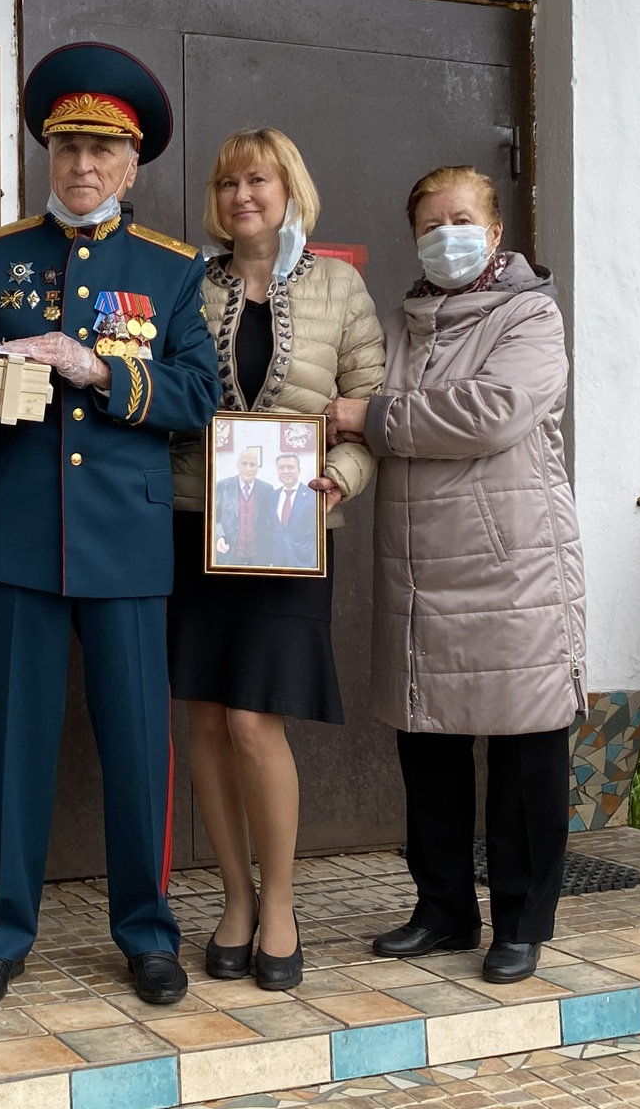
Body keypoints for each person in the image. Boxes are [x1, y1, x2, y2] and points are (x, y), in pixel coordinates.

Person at [0, 42, 221, 1008]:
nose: (83, 167)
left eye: (103, 150)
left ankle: (147, 933)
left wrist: (100, 371)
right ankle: (4, 934)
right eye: (67, 146)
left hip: (125, 541)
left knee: (137, 745)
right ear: (49, 152)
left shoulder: (170, 270)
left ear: (133, 165)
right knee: (14, 744)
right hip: (16, 536)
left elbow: (199, 393)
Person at [325, 164, 585, 986]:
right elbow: (345, 405)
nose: (447, 236)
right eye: (430, 224)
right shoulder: (400, 325)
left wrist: (379, 416)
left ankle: (520, 919)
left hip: (513, 569)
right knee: (428, 749)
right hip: (417, 571)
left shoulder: (530, 318)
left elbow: (492, 411)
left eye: (462, 219)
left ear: (497, 231)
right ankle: (441, 908)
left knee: (523, 753)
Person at [168, 127, 385, 990]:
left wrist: (339, 476)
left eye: (257, 180)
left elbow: (372, 413)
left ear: (291, 187)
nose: (241, 196)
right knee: (210, 721)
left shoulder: (339, 286)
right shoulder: (188, 284)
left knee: (259, 720)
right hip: (194, 524)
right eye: (227, 184)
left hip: (294, 530)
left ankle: (283, 900)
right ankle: (234, 899)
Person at [212, 445, 277, 565]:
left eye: (252, 464)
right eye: (244, 464)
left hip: (258, 555)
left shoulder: (267, 489)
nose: (248, 468)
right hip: (229, 551)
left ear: (257, 468)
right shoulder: (222, 486)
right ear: (238, 466)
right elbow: (215, 518)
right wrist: (219, 536)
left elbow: (272, 522)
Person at [271, 452, 318, 569]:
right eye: (281, 468)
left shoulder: (312, 496)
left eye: (290, 467)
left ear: (299, 470)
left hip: (303, 562)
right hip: (278, 562)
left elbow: (315, 531)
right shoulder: (272, 496)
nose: (286, 471)